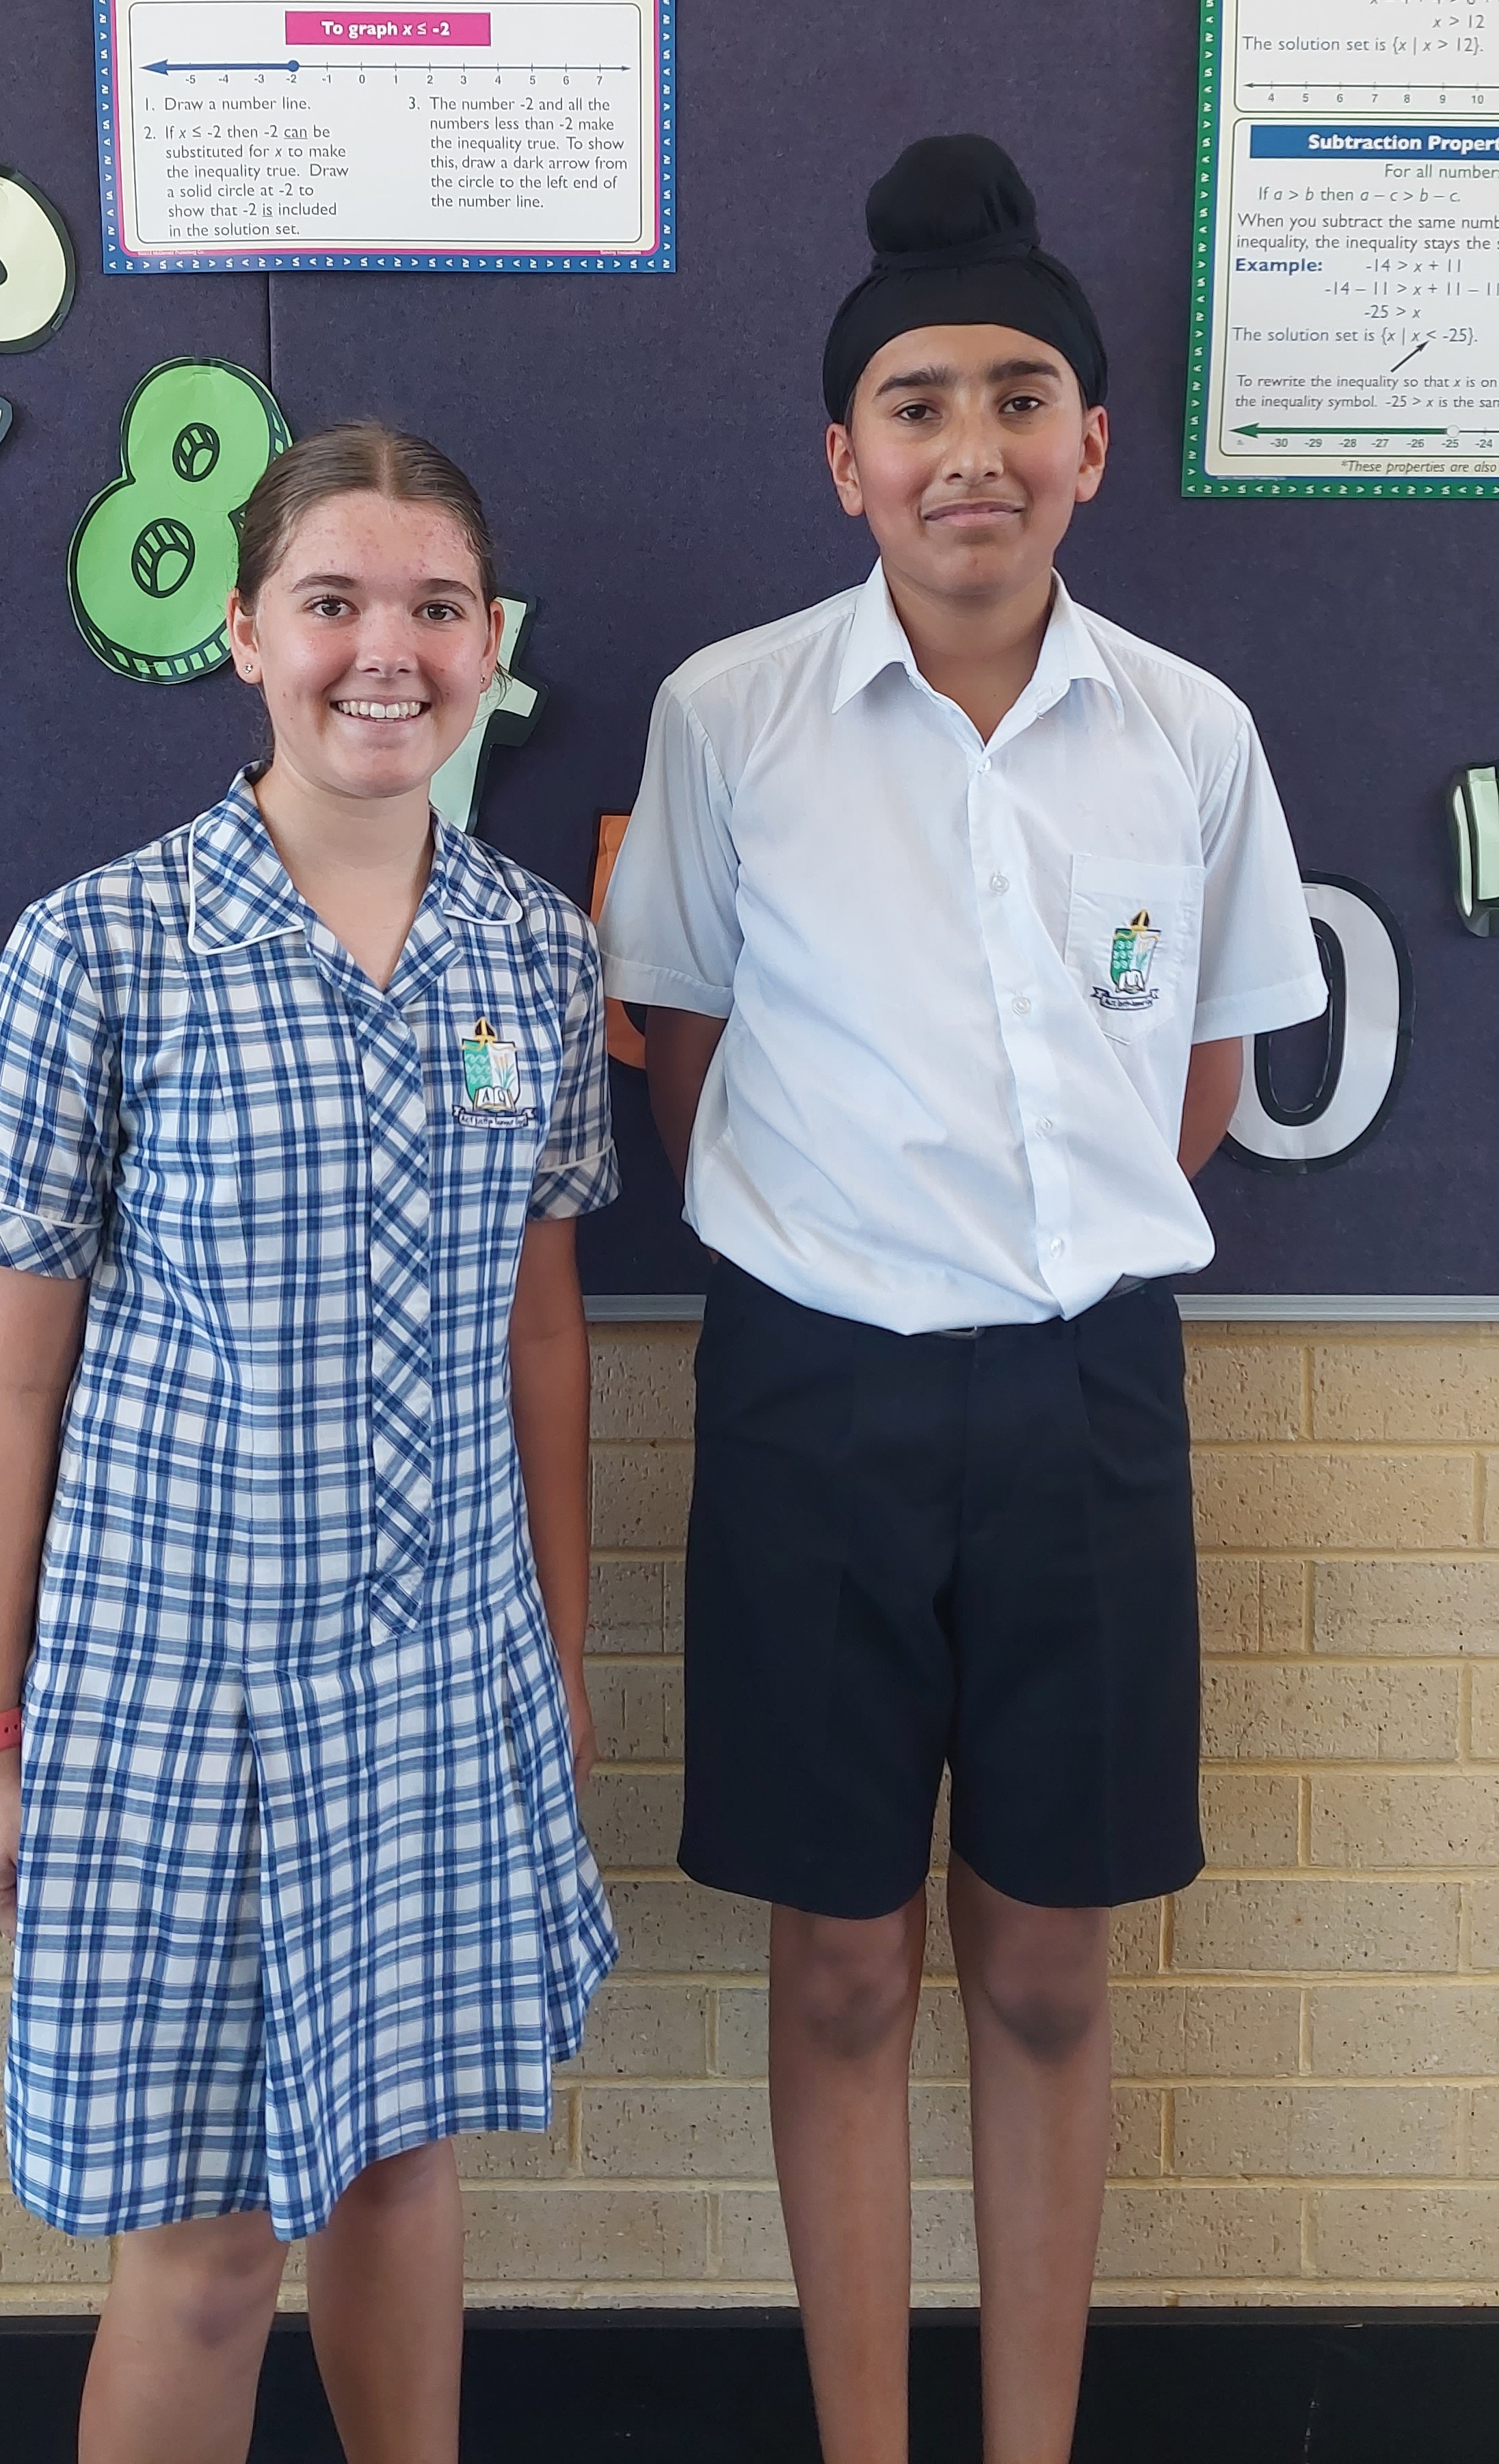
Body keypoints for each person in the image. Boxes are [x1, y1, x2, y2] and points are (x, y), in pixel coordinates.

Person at [598, 135, 1325, 2464]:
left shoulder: (1188, 734)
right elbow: (686, 1054)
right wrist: (859, 1247)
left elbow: (1193, 1089)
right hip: (807, 1402)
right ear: (844, 460)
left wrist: (1020, 1257)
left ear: (1091, 443)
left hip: (1084, 1407)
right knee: (836, 1975)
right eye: (915, 405)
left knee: (1042, 1969)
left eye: (1019, 398)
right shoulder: (729, 717)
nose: (970, 447)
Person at [0, 423, 617, 2464]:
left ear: (488, 645)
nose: (385, 652)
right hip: (177, 1700)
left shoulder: (532, 953)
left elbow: (542, 1337)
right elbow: (7, 1384)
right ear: (243, 633)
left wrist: (560, 1661)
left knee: (403, 2179)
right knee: (212, 2246)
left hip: (441, 1680)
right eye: (332, 603)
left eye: (435, 608)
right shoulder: (102, 949)